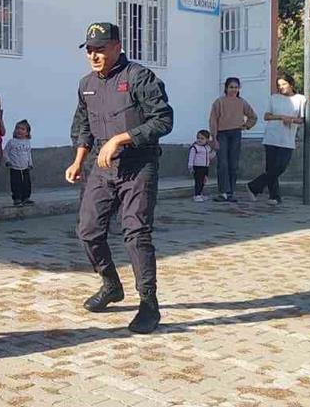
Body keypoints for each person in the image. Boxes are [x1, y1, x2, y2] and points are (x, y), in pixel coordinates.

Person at [66, 22, 174, 334]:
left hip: (138, 163)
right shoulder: (86, 84)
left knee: (136, 232)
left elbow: (163, 119)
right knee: (88, 230)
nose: (94, 54)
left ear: (117, 46)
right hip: (102, 165)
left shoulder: (139, 77)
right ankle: (111, 283)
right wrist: (78, 161)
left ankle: (149, 303)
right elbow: (83, 124)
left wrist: (121, 139)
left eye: (100, 48)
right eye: (89, 49)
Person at [249, 73, 308, 205]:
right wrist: (281, 117)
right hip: (272, 136)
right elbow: (267, 116)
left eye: (284, 84)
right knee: (271, 168)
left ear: (291, 84)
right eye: (279, 85)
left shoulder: (300, 99)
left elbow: (302, 119)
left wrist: (291, 119)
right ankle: (274, 196)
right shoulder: (274, 98)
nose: (281, 87)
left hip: (287, 138)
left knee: (280, 167)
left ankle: (254, 185)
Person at [208, 77, 257, 202]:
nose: (233, 89)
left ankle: (231, 192)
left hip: (236, 133)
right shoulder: (219, 102)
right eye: (231, 87)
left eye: (236, 87)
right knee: (223, 163)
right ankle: (223, 192)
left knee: (233, 164)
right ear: (226, 88)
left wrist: (246, 126)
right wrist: (214, 137)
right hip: (222, 133)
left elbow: (253, 116)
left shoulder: (242, 102)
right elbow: (213, 120)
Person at [5, 120, 34, 207]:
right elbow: (5, 152)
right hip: (14, 166)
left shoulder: (27, 142)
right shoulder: (11, 142)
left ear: (27, 133)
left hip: (25, 167)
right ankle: (17, 199)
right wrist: (7, 161)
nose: (19, 130)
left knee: (26, 183)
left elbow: (29, 153)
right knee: (16, 183)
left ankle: (26, 198)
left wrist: (30, 163)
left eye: (22, 129)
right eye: (17, 128)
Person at [187, 130, 215, 202]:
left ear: (207, 140)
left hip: (205, 167)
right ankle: (197, 195)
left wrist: (214, 152)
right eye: (198, 138)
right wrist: (190, 166)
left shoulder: (207, 147)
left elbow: (209, 157)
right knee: (198, 181)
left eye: (202, 138)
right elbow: (191, 157)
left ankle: (200, 193)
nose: (199, 140)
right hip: (197, 167)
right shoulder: (195, 148)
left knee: (203, 181)